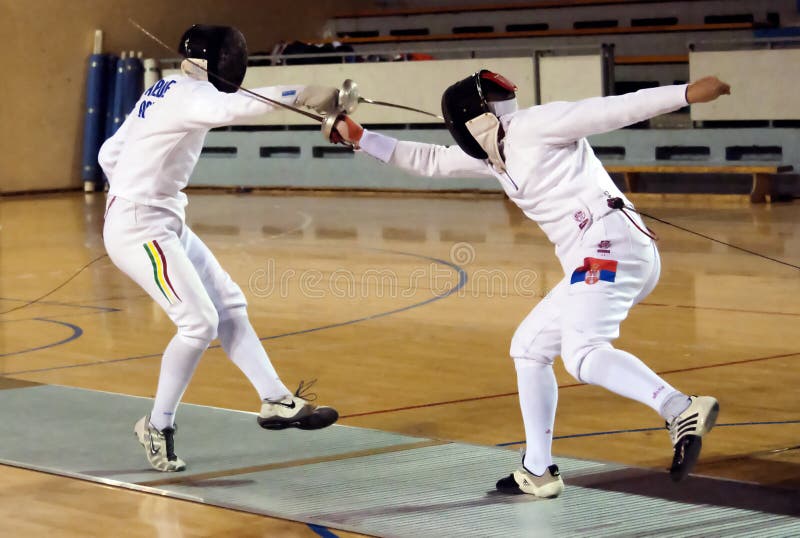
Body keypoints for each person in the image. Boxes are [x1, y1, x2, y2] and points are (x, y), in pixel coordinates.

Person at [330, 71, 730, 497]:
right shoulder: (494, 154)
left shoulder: (535, 126)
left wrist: (684, 93)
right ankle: (538, 470)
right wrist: (360, 136)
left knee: (582, 354)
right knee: (529, 347)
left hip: (608, 248)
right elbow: (429, 159)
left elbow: (612, 110)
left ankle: (679, 408)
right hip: (603, 256)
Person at [99, 24, 340, 472]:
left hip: (157, 219)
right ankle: (157, 424)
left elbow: (108, 154)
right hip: (139, 227)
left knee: (228, 303)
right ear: (219, 61)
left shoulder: (161, 89)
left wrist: (131, 189)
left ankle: (274, 399)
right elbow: (242, 105)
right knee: (198, 322)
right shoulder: (190, 94)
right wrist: (306, 92)